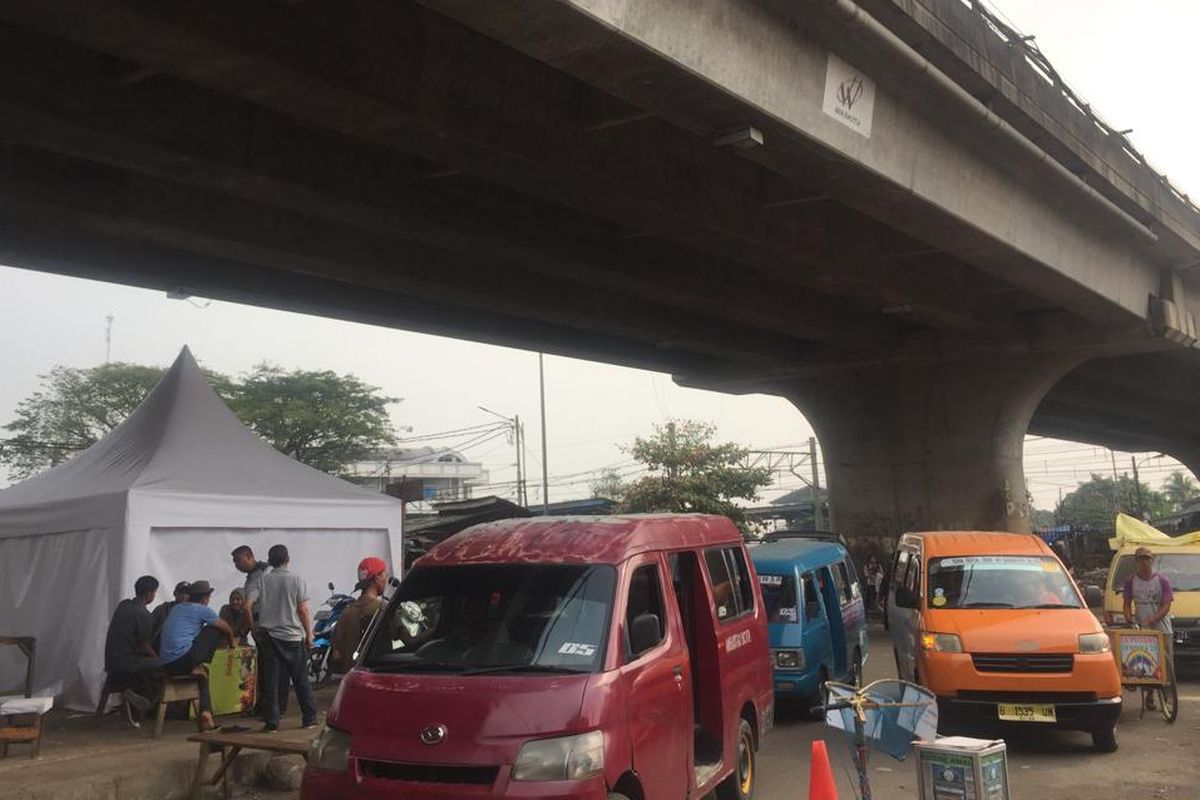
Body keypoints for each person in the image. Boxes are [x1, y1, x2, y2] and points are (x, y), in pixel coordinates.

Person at [248, 544, 317, 732]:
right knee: (301, 679)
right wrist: (309, 634)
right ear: (288, 559)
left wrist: (253, 628)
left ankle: (272, 721)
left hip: (269, 636)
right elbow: (302, 610)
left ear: (270, 561)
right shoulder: (296, 579)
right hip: (292, 637)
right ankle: (309, 718)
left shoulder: (263, 580)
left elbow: (249, 603)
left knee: (271, 681)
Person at [158, 580, 235, 730]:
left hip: (166, 664)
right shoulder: (202, 610)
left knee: (202, 676)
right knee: (214, 629)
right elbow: (224, 626)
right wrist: (232, 638)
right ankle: (202, 664)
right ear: (204, 598)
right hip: (182, 660)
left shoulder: (176, 608)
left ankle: (207, 713)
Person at [104, 575, 163, 714]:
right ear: (149, 593)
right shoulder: (144, 614)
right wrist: (158, 658)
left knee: (148, 665)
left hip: (111, 661)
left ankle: (131, 691)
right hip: (128, 663)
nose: (154, 595)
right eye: (154, 592)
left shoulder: (123, 605)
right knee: (163, 666)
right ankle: (146, 701)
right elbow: (145, 646)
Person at [1123, 546, 1174, 709]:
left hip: (1162, 629)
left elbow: (1166, 606)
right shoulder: (1131, 581)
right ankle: (1150, 695)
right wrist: (1130, 620)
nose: (1144, 562)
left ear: (1152, 560)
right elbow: (1126, 604)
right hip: (1141, 630)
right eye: (1141, 559)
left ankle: (1167, 698)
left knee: (1166, 665)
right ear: (1136, 562)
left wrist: (1152, 620)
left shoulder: (1162, 581)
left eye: (1147, 559)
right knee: (1146, 663)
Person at [330, 557, 388, 673]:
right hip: (377, 679)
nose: (386, 579)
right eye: (385, 575)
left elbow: (337, 654)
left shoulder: (346, 612)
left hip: (353, 681)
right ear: (376, 578)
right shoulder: (383, 609)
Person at [232, 545, 270, 640]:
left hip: (268, 625)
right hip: (257, 625)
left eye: (238, 560)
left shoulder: (266, 571)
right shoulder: (250, 577)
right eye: (234, 562)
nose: (236, 565)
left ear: (249, 557)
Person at [151, 581, 191, 645]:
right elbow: (147, 630)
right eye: (181, 592)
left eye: (187, 593)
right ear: (175, 593)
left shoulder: (193, 613)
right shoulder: (162, 609)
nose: (184, 596)